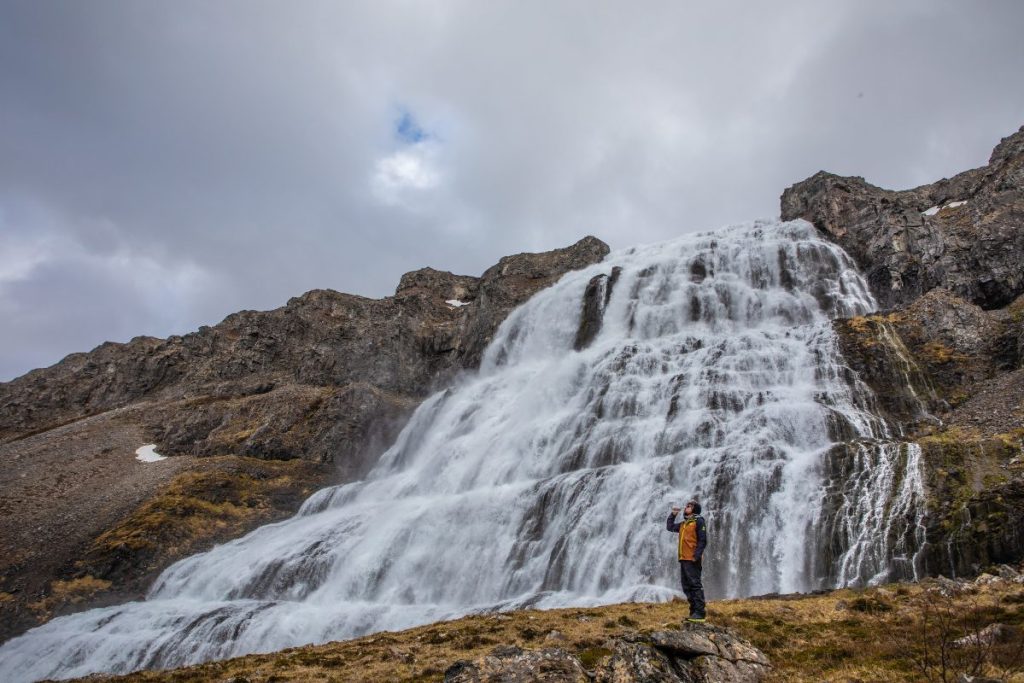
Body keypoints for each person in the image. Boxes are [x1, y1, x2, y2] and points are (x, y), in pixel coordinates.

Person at [666, 500, 707, 622]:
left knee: (695, 585)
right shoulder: (684, 524)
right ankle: (693, 611)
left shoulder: (699, 521)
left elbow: (703, 540)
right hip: (683, 559)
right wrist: (673, 515)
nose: (686, 507)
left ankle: (700, 612)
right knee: (686, 586)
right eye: (686, 506)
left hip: (692, 559)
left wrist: (696, 556)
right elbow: (670, 527)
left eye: (689, 506)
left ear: (695, 509)